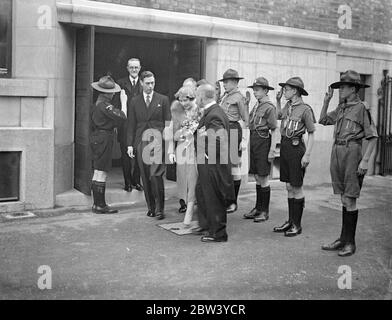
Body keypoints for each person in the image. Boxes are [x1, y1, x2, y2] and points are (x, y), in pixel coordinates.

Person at [319, 70, 378, 257]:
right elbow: (323, 120)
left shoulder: (362, 108)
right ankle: (343, 239)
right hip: (338, 153)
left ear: (353, 89)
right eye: (340, 87)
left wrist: (366, 160)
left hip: (353, 153)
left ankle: (350, 243)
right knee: (344, 198)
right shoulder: (342, 108)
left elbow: (373, 137)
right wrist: (326, 101)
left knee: (350, 198)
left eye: (343, 87)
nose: (340, 90)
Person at [273, 77, 315, 237]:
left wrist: (307, 154)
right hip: (285, 146)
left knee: (297, 186)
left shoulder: (305, 109)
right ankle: (290, 221)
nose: (284, 91)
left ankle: (297, 224)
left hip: (297, 149)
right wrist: (277, 101)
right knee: (289, 186)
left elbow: (311, 133)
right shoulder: (288, 106)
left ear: (295, 91)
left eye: (287, 89)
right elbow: (279, 116)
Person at [193, 83, 234, 242]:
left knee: (213, 198)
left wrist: (204, 148)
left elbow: (218, 142)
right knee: (203, 194)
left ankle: (218, 233)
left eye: (197, 96)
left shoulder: (214, 115)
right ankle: (208, 226)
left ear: (202, 97)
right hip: (209, 164)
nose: (196, 99)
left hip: (213, 164)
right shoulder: (211, 112)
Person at [127, 71, 171, 220]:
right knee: (145, 176)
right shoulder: (134, 101)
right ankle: (151, 207)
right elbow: (131, 124)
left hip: (157, 141)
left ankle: (160, 209)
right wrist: (130, 145)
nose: (150, 86)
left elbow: (168, 123)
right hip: (141, 142)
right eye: (147, 83)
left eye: (152, 83)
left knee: (156, 175)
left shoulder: (163, 99)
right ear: (141, 83)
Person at [90, 75, 127, 214]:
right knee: (102, 172)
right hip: (104, 138)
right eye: (112, 92)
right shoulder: (105, 106)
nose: (113, 94)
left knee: (97, 171)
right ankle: (100, 205)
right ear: (107, 93)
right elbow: (122, 117)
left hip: (97, 137)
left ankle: (97, 204)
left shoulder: (97, 103)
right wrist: (124, 102)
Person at [243, 77, 278, 222]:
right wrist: (245, 105)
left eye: (257, 90)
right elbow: (248, 122)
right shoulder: (256, 106)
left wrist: (272, 150)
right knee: (257, 176)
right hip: (255, 140)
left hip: (264, 141)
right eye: (254, 90)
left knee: (263, 177)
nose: (255, 93)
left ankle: (264, 211)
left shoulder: (269, 107)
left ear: (265, 90)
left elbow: (274, 130)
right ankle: (258, 208)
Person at [165, 86, 200, 227]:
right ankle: (186, 204)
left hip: (195, 148)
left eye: (185, 100)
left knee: (193, 179)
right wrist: (171, 151)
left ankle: (190, 211)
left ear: (192, 98)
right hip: (181, 148)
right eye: (180, 100)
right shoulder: (176, 111)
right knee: (182, 179)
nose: (183, 103)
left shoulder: (199, 110)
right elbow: (171, 132)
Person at [218, 69, 249, 213]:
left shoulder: (239, 98)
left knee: (233, 167)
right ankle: (226, 198)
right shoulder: (225, 96)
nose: (224, 84)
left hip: (233, 131)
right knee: (224, 166)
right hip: (223, 131)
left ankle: (232, 201)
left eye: (227, 81)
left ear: (235, 82)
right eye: (223, 81)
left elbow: (245, 119)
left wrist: (243, 140)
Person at [115, 58, 143, 192]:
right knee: (125, 155)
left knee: (138, 154)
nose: (134, 70)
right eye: (131, 67)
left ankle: (136, 181)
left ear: (140, 68)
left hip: (139, 125)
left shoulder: (144, 84)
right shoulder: (120, 83)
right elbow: (116, 104)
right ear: (127, 68)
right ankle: (127, 182)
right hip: (125, 125)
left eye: (136, 67)